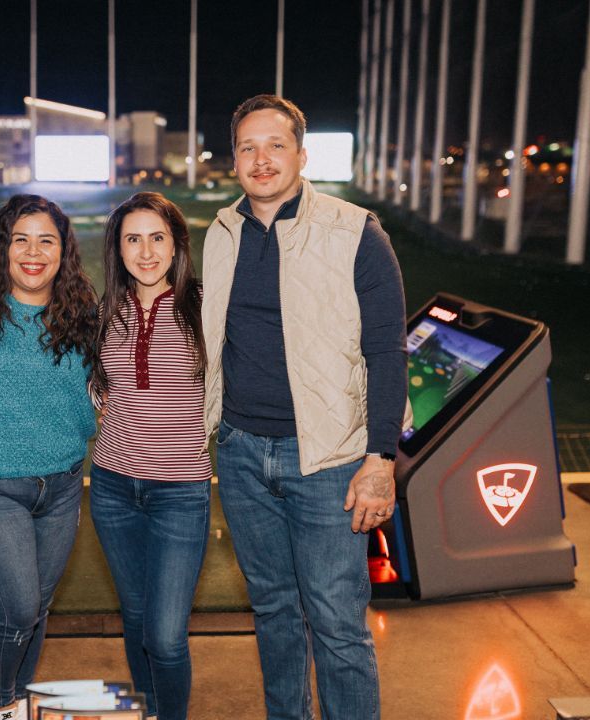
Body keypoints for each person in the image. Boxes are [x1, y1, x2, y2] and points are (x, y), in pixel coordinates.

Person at [202, 94, 408, 720]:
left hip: (327, 460)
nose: (261, 160)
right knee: (273, 613)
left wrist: (381, 461)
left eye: (275, 145)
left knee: (337, 623)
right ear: (233, 158)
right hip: (240, 454)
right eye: (247, 147)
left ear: (301, 154)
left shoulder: (355, 231)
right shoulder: (221, 232)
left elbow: (386, 351)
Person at [0, 194, 99, 720]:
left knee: (36, 610)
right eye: (21, 239)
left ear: (64, 250)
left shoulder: (82, 308)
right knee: (16, 609)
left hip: (60, 486)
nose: (33, 253)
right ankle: (0, 705)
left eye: (46, 240)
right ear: (2, 247)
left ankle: (22, 704)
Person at [89, 192, 210, 720]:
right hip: (113, 489)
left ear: (177, 244)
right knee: (136, 619)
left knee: (164, 636)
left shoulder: (205, 307)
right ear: (117, 249)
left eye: (157, 237)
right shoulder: (104, 311)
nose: (145, 251)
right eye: (132, 239)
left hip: (181, 492)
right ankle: (148, 712)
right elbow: (98, 387)